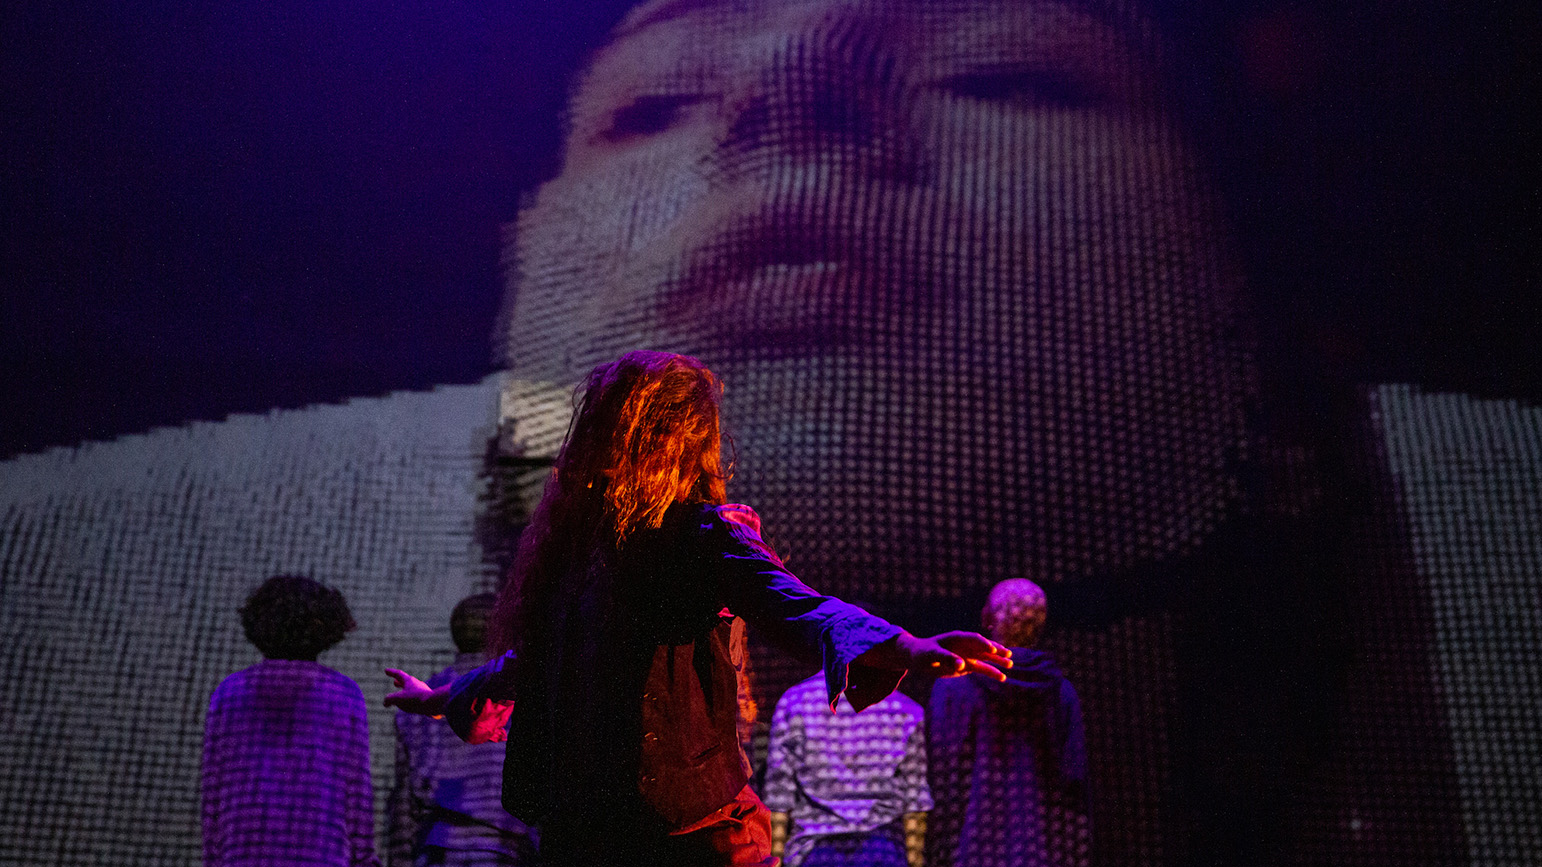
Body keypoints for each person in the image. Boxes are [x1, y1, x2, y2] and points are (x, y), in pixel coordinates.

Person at [385, 350, 1013, 867]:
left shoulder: (700, 534)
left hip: (691, 837)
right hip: (591, 834)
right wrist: (446, 698)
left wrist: (902, 646)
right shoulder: (580, 550)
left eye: (618, 430)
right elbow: (543, 662)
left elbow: (794, 604)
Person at [202, 575, 379, 867]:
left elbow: (214, 790)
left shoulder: (229, 692)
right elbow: (356, 790)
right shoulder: (344, 693)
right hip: (322, 852)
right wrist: (363, 856)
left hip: (243, 852)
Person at [924, 579, 1088, 867]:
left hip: (968, 847)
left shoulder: (952, 685)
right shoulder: (1061, 692)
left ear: (987, 618)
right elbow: (1074, 780)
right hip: (1040, 850)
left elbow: (938, 772)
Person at [388, 593, 540, 866]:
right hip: (505, 850)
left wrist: (400, 859)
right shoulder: (523, 691)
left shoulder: (418, 699)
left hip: (437, 848)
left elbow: (404, 803)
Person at [764, 671, 932, 867]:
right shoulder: (904, 709)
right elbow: (915, 802)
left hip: (814, 851)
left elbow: (778, 797)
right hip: (881, 852)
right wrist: (914, 860)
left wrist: (775, 857)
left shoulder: (795, 702)